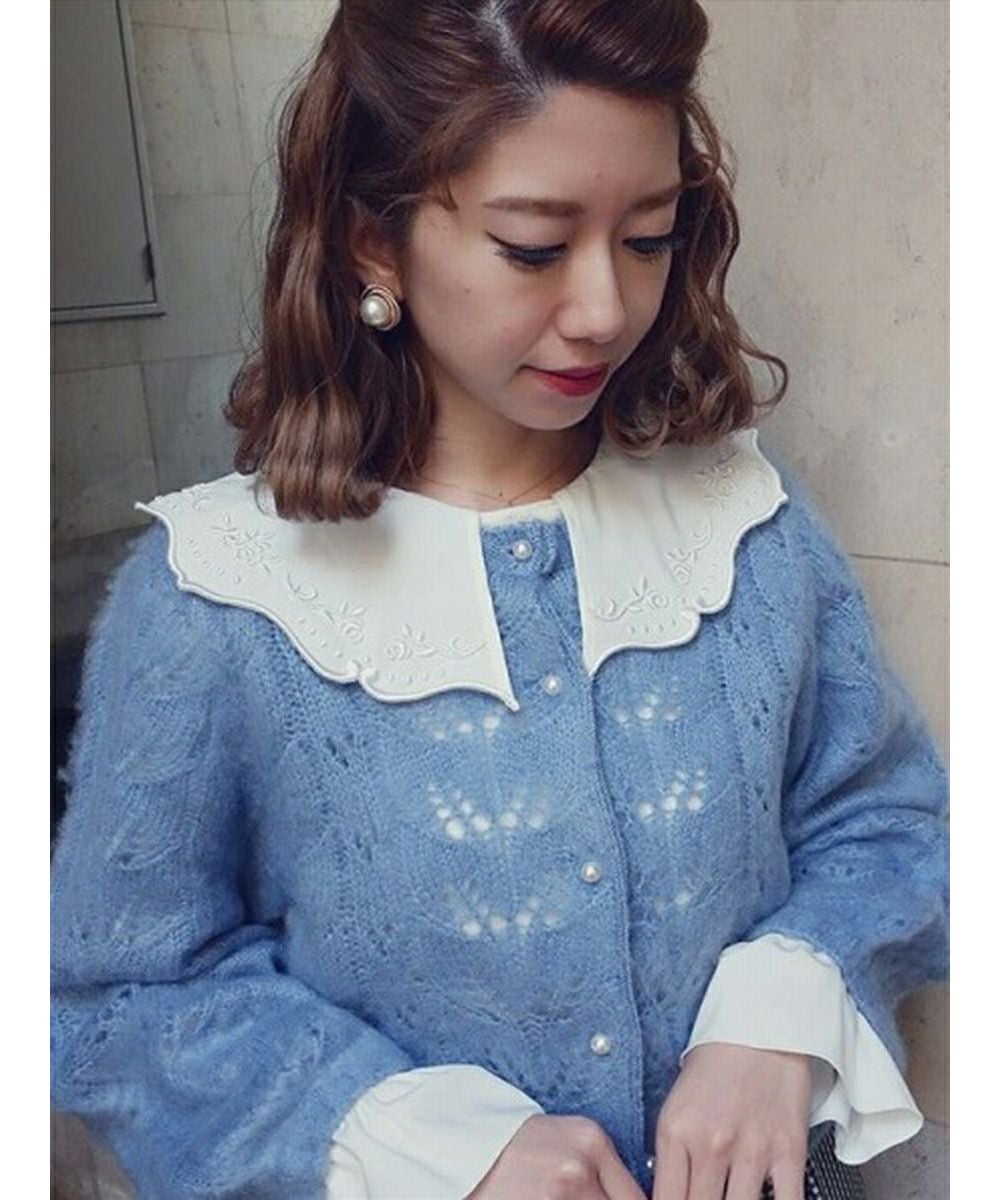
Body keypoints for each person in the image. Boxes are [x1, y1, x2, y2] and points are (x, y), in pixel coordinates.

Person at [50, 2, 949, 1198]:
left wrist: (785, 1005)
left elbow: (886, 819)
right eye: (532, 248)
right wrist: (416, 1143)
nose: (605, 310)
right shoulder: (217, 595)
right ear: (373, 242)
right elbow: (118, 997)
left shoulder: (742, 522)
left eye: (648, 236)